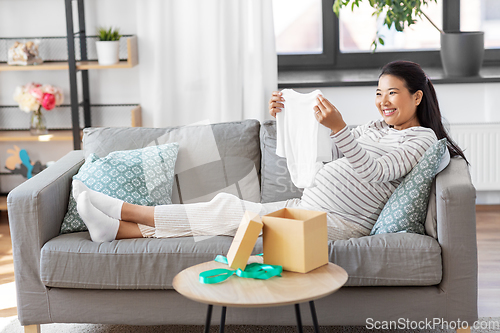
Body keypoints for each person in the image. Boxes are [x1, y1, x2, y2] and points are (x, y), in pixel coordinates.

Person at [74, 60, 466, 243]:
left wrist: (340, 128)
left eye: (392, 93)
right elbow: (334, 154)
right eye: (378, 93)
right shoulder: (375, 127)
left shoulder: (421, 141)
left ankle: (124, 210)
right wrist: (285, 118)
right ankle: (119, 230)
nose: (383, 101)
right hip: (309, 208)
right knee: (224, 216)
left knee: (226, 210)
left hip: (340, 226)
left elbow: (377, 172)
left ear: (416, 96)